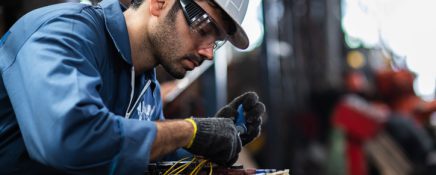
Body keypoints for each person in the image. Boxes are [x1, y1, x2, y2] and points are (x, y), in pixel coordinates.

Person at [0, 0, 265, 174]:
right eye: (204, 27)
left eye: (217, 41)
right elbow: (71, 138)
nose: (209, 53)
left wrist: (209, 149)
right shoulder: (66, 33)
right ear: (160, 3)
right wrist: (190, 131)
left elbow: (143, 160)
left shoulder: (146, 88)